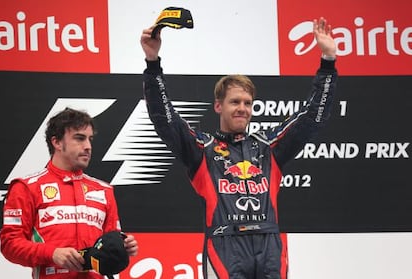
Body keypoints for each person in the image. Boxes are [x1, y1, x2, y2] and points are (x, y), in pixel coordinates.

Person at [141, 17, 337, 279]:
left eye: (247, 102)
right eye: (235, 101)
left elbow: (313, 117)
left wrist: (328, 61)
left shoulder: (269, 147)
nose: (243, 108)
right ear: (218, 106)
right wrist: (153, 64)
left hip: (269, 247)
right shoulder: (202, 148)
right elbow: (165, 120)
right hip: (225, 245)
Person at [0, 108, 138, 279]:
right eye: (79, 138)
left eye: (90, 139)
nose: (88, 146)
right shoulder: (26, 187)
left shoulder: (104, 190)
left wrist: (123, 246)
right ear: (57, 143)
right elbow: (10, 245)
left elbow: (111, 242)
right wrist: (52, 253)